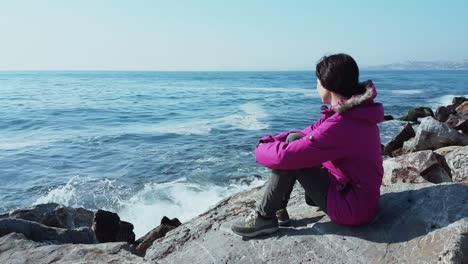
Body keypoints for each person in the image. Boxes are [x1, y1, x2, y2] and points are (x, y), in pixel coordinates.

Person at [231, 53, 384, 237]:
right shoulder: (351, 113)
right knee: (295, 140)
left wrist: (260, 148)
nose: (316, 86)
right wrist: (271, 140)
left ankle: (264, 218)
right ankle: (279, 209)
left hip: (353, 208)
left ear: (328, 85)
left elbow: (286, 156)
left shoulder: (342, 123)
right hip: (356, 196)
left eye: (317, 82)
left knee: (291, 154)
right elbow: (307, 133)